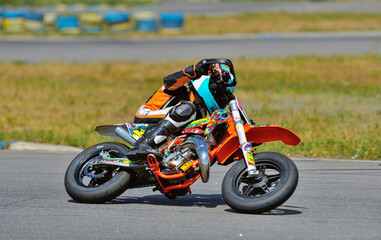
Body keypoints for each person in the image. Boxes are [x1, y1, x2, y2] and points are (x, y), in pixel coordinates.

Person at [126, 59, 234, 160]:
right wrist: (195, 70)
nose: (220, 99)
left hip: (166, 135)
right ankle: (142, 145)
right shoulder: (183, 87)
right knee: (187, 109)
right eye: (219, 93)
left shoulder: (201, 112)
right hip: (146, 115)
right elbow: (168, 81)